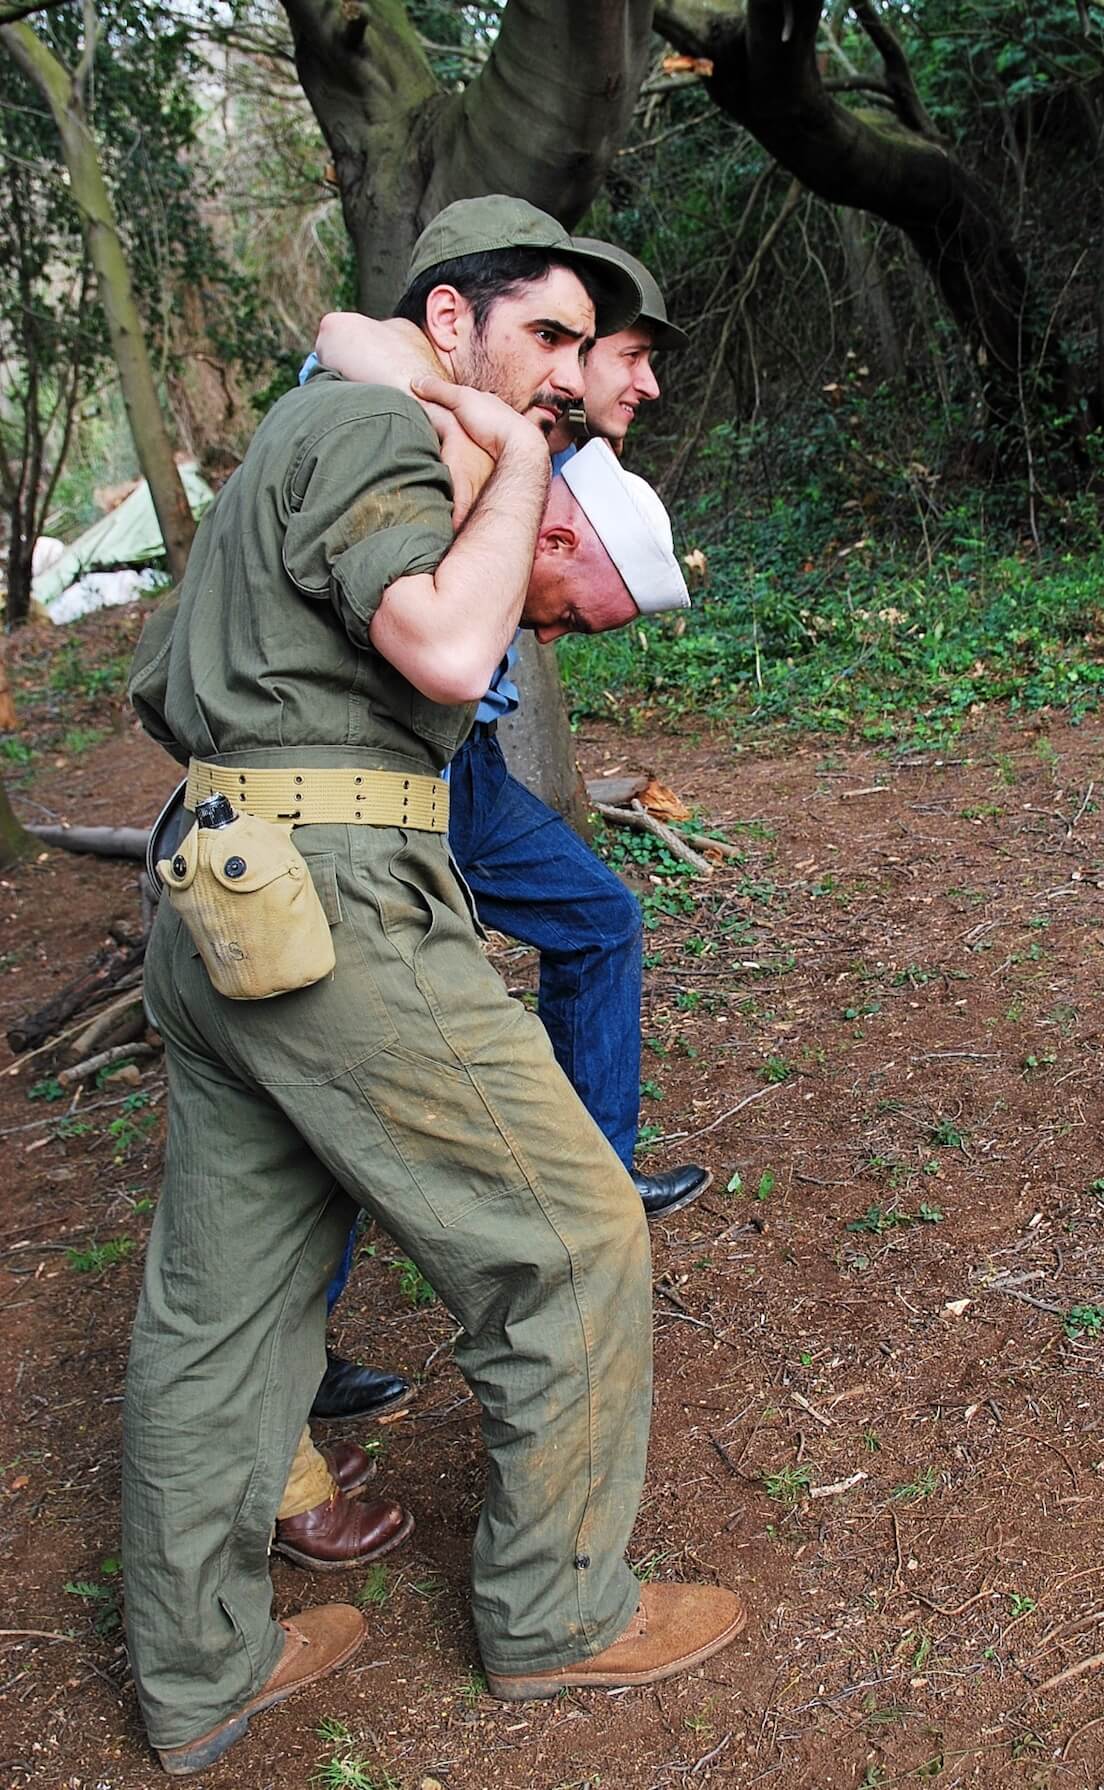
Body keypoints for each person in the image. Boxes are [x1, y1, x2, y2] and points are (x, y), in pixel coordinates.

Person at [122, 196, 745, 1779]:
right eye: (543, 334)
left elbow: (169, 682)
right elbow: (449, 654)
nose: (566, 371)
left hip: (226, 883)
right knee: (575, 1233)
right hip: (324, 900)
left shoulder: (338, 415)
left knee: (226, 1308)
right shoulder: (375, 426)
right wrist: (515, 453)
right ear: (451, 321)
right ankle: (552, 1615)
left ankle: (200, 1676)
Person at [307, 243, 707, 1432]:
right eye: (591, 352)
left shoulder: (523, 446)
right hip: (352, 786)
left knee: (600, 915)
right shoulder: (410, 430)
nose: (614, 385)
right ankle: (299, 1355)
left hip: (451, 768)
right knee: (339, 1082)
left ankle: (598, 1169)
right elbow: (345, 339)